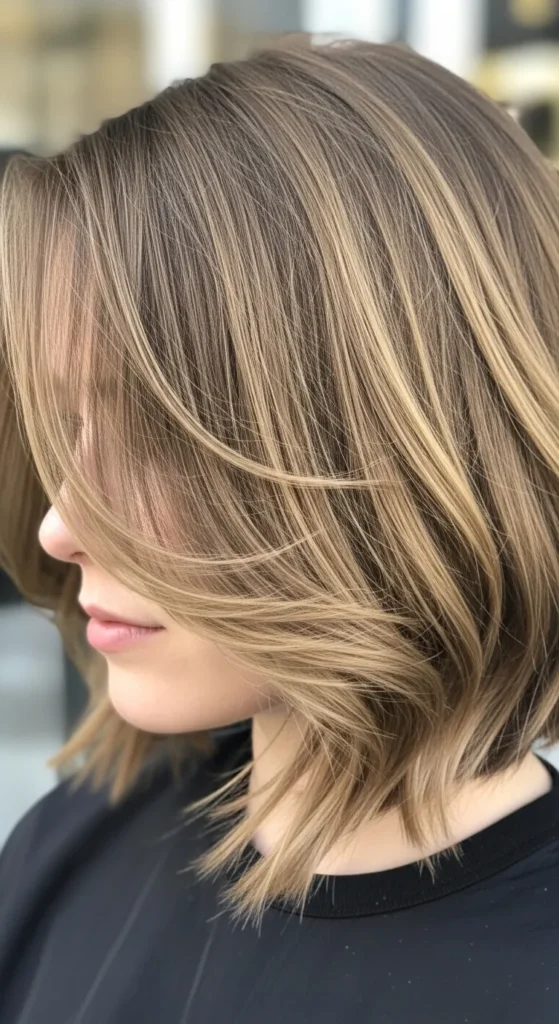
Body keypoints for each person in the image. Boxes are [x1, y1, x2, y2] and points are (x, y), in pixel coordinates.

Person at [0, 38, 558, 1024]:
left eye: (164, 435)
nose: (61, 525)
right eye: (70, 418)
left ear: (405, 444)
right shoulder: (73, 843)